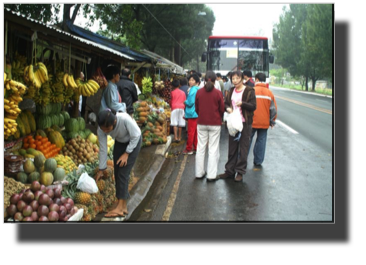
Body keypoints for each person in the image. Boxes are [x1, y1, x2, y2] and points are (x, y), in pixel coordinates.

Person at [95, 109, 142, 217]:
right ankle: (123, 206)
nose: (105, 131)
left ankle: (120, 208)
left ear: (114, 122)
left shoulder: (124, 119)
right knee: (117, 172)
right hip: (120, 143)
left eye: (108, 129)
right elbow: (103, 148)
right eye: (103, 129)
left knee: (123, 172)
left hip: (134, 141)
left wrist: (127, 153)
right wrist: (102, 168)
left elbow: (136, 135)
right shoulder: (101, 129)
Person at [218, 70, 256, 182]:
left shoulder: (249, 90)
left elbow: (253, 106)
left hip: (245, 123)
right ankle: (229, 171)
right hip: (233, 123)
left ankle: (240, 172)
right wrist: (227, 108)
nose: (234, 81)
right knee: (232, 148)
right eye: (233, 79)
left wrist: (243, 104)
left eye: (236, 78)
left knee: (243, 149)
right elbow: (225, 103)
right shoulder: (231, 90)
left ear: (242, 79)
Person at [195, 71, 225, 181]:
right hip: (215, 123)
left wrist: (202, 115)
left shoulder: (199, 92)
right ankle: (211, 175)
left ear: (204, 80)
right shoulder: (218, 93)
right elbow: (222, 108)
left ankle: (199, 173)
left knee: (200, 148)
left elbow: (197, 108)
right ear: (215, 80)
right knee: (213, 149)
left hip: (201, 122)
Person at [249, 73, 277, 166]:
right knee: (261, 140)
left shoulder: (251, 90)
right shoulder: (269, 93)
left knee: (247, 140)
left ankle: (242, 159)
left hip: (251, 121)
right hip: (264, 122)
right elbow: (273, 109)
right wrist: (272, 121)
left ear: (256, 79)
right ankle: (258, 161)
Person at [183, 74, 200, 155]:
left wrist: (185, 102)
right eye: (190, 80)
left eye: (193, 80)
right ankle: (196, 148)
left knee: (191, 132)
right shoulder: (197, 89)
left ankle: (189, 149)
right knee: (195, 132)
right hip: (196, 113)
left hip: (191, 113)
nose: (190, 81)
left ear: (196, 81)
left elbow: (190, 103)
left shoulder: (193, 90)